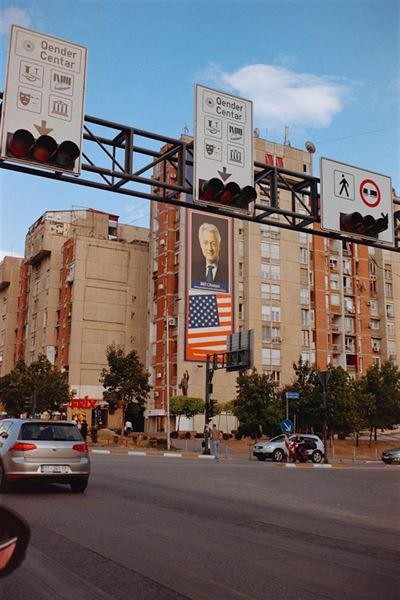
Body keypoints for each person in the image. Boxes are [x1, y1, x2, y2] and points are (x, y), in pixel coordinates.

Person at [191, 222, 229, 290]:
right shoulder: (192, 268)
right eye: (205, 243)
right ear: (201, 245)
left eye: (213, 244)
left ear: (219, 246)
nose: (210, 248)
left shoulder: (228, 271)